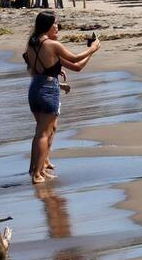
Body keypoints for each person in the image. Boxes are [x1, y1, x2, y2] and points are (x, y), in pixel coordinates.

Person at [22, 11, 100, 183]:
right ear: (47, 26)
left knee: (42, 132)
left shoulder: (32, 43)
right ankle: (37, 174)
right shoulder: (52, 45)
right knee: (43, 134)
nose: (57, 26)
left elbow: (73, 66)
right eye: (55, 23)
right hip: (48, 89)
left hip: (35, 88)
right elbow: (76, 58)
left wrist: (57, 73)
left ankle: (37, 169)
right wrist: (92, 49)